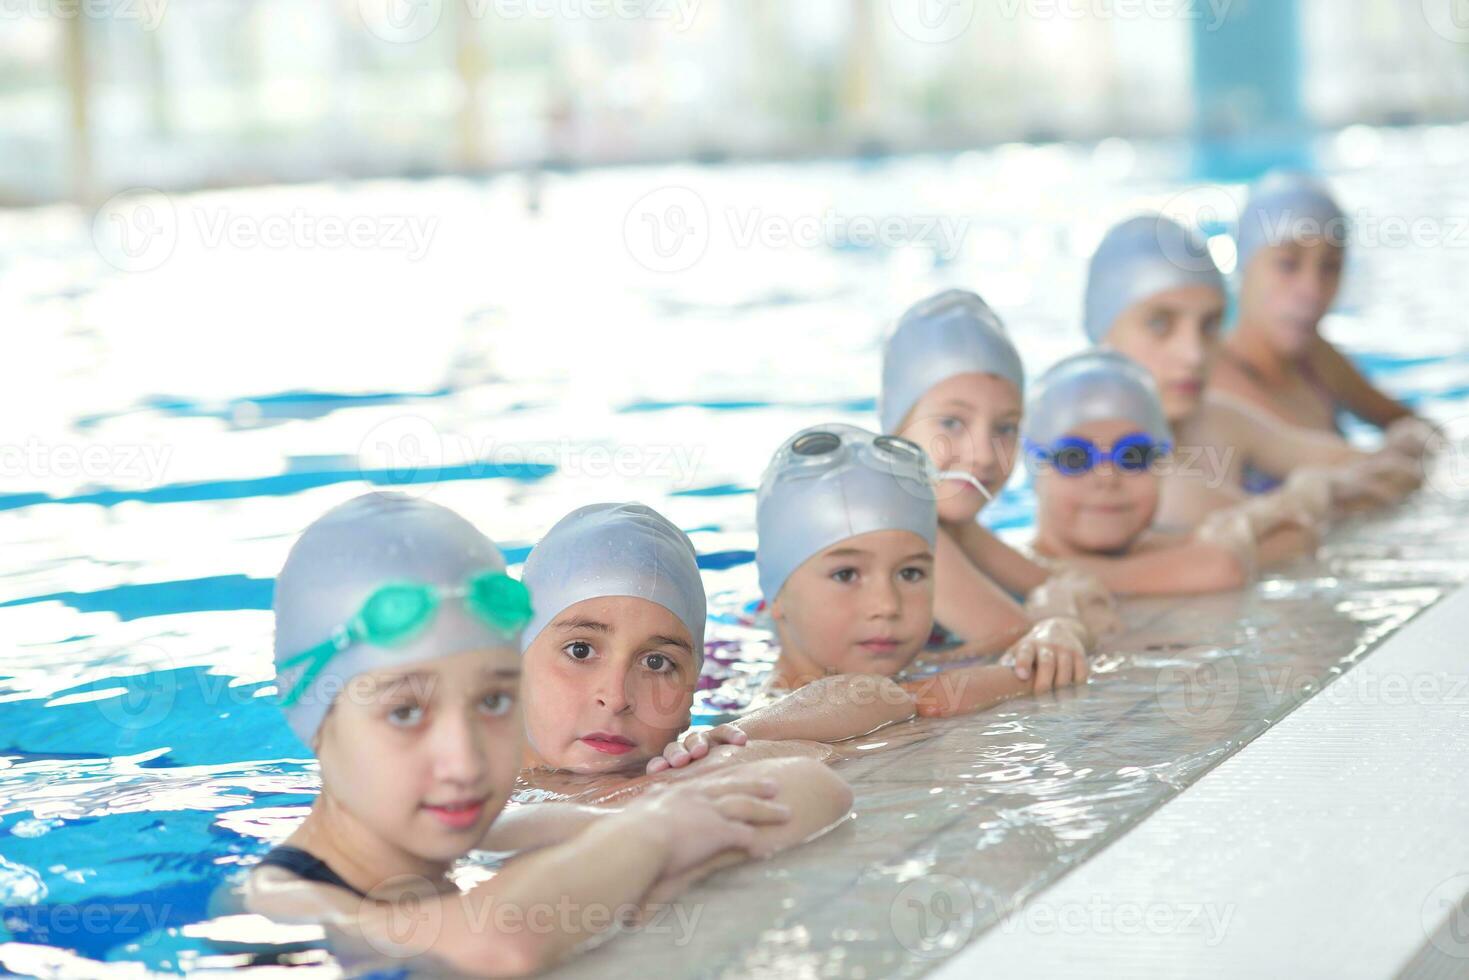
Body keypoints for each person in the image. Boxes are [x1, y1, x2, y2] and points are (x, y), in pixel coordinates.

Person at [230, 492, 852, 977]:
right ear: (308, 717)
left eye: (494, 700)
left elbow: (813, 792)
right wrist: (659, 836)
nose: (465, 757)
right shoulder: (275, 905)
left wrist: (658, 837)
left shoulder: (493, 835)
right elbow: (502, 941)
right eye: (405, 714)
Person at [1082, 213, 1422, 526]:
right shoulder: (1079, 461)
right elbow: (1275, 531)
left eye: (1210, 325)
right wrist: (1325, 495)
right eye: (1160, 324)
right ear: (1103, 336)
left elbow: (1382, 468)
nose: (1194, 354)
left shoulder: (1217, 420)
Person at [881, 289, 1121, 641]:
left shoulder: (952, 523)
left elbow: (1054, 583)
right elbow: (1018, 642)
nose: (984, 454)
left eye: (1005, 428)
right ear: (897, 428)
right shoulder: (898, 522)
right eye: (951, 423)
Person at [1025, 351, 1322, 595]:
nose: (1107, 477)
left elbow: (1296, 535)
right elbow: (1221, 565)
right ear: (1034, 468)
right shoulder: (1025, 570)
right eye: (1075, 458)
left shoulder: (1154, 546)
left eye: (1133, 455)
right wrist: (1239, 530)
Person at [1213, 172, 1433, 447]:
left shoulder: (1315, 359)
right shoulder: (1210, 382)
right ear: (1243, 267)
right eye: (1287, 264)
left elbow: (1415, 426)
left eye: (1330, 266)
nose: (1312, 290)